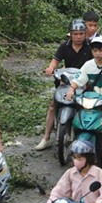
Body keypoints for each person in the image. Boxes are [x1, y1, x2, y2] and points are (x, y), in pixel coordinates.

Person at [36, 20, 93, 150]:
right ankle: (46, 137)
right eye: (75, 34)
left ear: (85, 34)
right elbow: (55, 60)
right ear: (71, 34)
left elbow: (96, 63)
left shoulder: (90, 47)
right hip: (65, 81)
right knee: (52, 106)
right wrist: (50, 68)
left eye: (81, 34)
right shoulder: (64, 46)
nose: (78, 37)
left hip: (83, 84)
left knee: (88, 107)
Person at [42, 139, 102, 203]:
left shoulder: (99, 174)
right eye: (74, 157)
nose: (76, 160)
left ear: (88, 158)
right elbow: (58, 191)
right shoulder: (70, 173)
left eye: (80, 158)